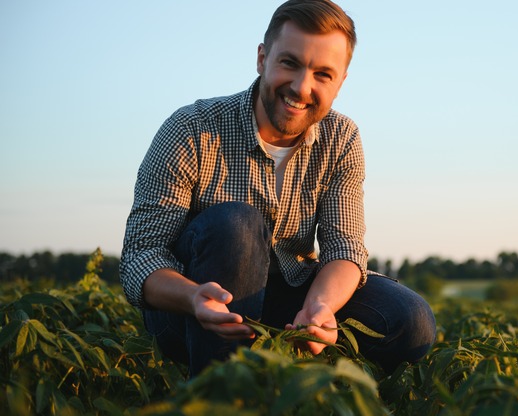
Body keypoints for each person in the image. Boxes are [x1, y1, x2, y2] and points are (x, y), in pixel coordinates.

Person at [119, 0, 436, 377]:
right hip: (193, 309)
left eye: (323, 74)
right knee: (235, 224)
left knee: (409, 319)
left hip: (289, 292)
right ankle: (222, 394)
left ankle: (299, 369)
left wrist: (320, 307)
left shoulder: (342, 138)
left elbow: (344, 248)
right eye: (290, 63)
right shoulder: (192, 128)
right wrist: (192, 297)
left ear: (341, 81)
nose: (302, 88)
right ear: (262, 59)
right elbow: (142, 254)